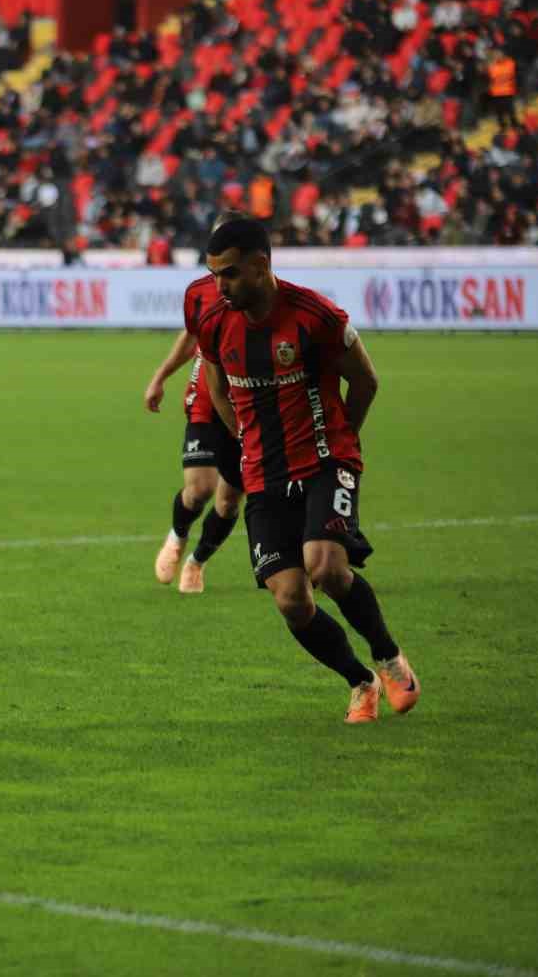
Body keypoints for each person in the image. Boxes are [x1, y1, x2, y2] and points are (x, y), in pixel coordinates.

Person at [194, 217, 419, 724]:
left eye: (228, 274)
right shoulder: (213, 323)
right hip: (265, 475)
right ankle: (361, 682)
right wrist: (247, 443)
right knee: (292, 600)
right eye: (213, 276)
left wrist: (342, 444)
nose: (219, 286)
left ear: (260, 265)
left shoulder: (314, 315)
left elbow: (365, 380)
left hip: (323, 461)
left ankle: (388, 656)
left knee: (327, 568)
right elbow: (216, 388)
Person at [143, 262, 244, 595]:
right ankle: (177, 536)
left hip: (246, 406)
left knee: (229, 501)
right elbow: (190, 336)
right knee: (200, 489)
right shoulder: (200, 291)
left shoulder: (263, 294)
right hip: (205, 399)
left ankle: (197, 562)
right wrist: (160, 377)